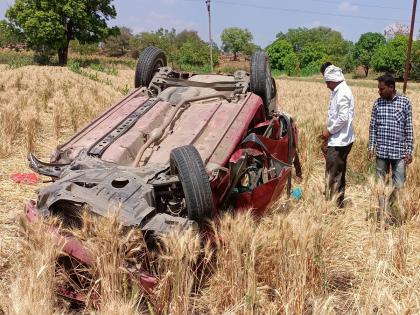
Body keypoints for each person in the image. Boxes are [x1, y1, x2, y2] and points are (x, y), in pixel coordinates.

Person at [367, 74, 413, 207]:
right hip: (381, 152)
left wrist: (409, 151)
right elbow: (373, 127)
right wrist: (371, 147)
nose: (379, 92)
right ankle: (382, 210)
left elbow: (408, 129)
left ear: (391, 87)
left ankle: (392, 209)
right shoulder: (378, 103)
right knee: (380, 184)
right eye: (378, 89)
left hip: (398, 153)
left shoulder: (405, 102)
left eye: (381, 89)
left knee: (398, 184)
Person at [319, 64, 355, 208]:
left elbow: (342, 118)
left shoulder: (343, 92)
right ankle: (336, 204)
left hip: (340, 141)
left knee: (333, 175)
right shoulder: (338, 91)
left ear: (334, 80)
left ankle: (333, 207)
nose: (327, 86)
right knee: (337, 173)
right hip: (338, 139)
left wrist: (329, 131)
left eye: (328, 82)